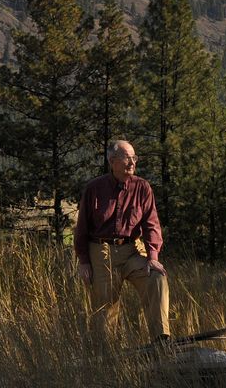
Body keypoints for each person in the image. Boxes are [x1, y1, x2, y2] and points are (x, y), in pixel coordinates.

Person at [73, 139, 171, 344]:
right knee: (105, 308)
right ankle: (107, 352)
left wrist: (153, 256)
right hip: (101, 251)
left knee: (156, 277)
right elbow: (81, 227)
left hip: (132, 250)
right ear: (113, 161)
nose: (132, 162)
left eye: (134, 158)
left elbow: (152, 224)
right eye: (127, 158)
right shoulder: (94, 188)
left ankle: (161, 338)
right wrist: (83, 261)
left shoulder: (142, 187)